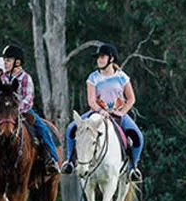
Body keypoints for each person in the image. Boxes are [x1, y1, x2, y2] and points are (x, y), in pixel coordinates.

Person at [0, 45, 61, 178]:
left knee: (43, 129)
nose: (4, 63)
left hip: (24, 111)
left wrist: (16, 109)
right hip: (5, 113)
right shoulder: (3, 78)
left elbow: (29, 98)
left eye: (8, 60)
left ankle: (52, 159)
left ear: (17, 62)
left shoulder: (25, 78)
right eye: (4, 60)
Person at [60, 43, 144, 182]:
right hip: (97, 113)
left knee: (138, 137)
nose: (99, 60)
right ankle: (70, 161)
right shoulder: (93, 77)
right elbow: (91, 101)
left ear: (111, 59)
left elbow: (131, 99)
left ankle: (132, 168)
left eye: (102, 57)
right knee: (71, 128)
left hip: (118, 114)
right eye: (98, 57)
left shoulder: (122, 77)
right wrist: (100, 111)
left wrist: (122, 112)